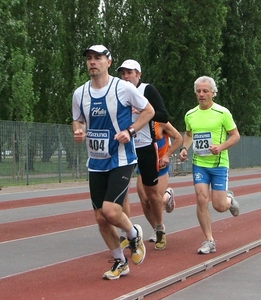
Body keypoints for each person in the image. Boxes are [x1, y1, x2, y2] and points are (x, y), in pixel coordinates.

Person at [72, 45, 154, 280]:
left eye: (97, 58)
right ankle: (120, 261)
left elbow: (149, 111)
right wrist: (78, 132)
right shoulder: (80, 93)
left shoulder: (123, 88)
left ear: (108, 62)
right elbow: (77, 121)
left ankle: (133, 234)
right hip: (96, 161)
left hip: (121, 158)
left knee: (110, 210)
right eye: (89, 58)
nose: (92, 62)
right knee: (100, 217)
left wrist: (130, 130)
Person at [179, 76, 241, 254]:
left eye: (205, 91)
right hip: (199, 164)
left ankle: (228, 199)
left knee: (219, 206)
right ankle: (209, 240)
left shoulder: (223, 113)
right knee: (201, 199)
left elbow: (236, 135)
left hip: (219, 164)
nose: (201, 94)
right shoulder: (190, 114)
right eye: (198, 91)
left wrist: (220, 147)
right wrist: (184, 148)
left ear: (213, 93)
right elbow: (189, 134)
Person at [117, 59, 170, 250]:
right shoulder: (118, 91)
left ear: (139, 74)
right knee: (122, 192)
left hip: (145, 147)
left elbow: (164, 115)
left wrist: (143, 110)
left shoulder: (147, 90)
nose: (125, 77)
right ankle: (127, 232)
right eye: (122, 73)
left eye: (129, 73)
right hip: (124, 148)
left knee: (152, 195)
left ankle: (159, 228)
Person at [137, 120, 183, 243]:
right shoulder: (135, 122)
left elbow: (179, 138)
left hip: (160, 167)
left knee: (155, 199)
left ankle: (168, 196)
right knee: (144, 200)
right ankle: (157, 229)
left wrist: (167, 155)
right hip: (144, 166)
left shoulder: (160, 122)